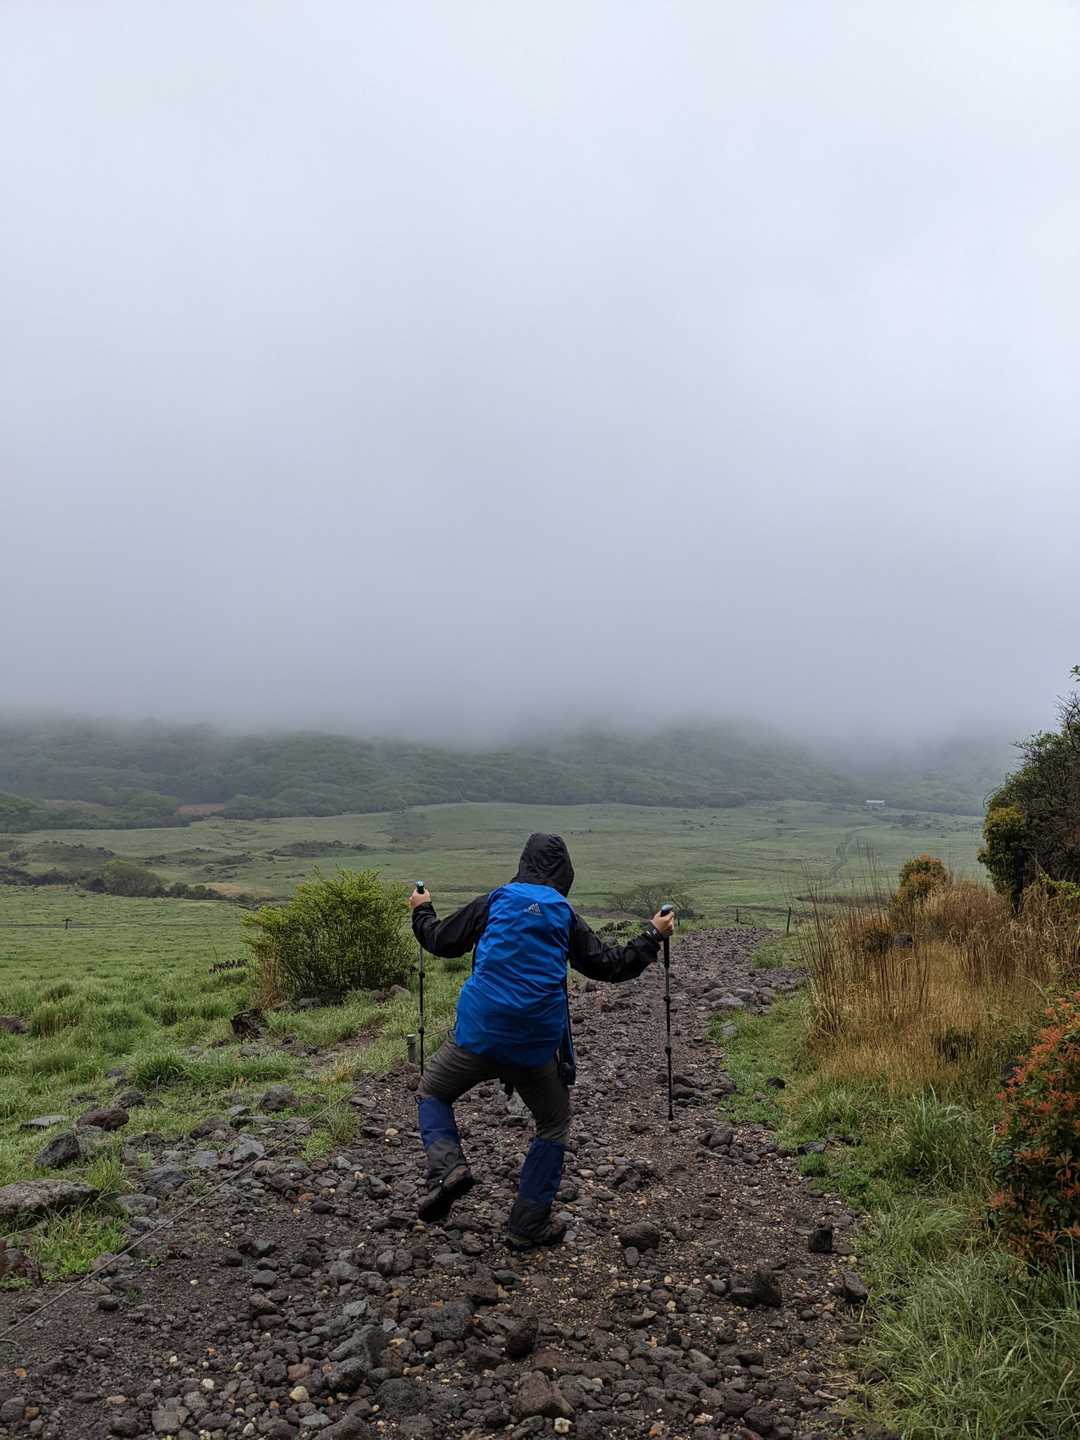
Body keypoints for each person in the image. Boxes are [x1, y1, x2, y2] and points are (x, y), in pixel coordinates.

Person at [408, 832, 676, 1251]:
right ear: (565, 872)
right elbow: (610, 966)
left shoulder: (495, 901)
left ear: (523, 864)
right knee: (552, 1123)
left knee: (432, 1092)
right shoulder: (564, 915)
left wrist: (422, 909)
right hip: (535, 1045)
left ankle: (448, 1169)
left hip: (477, 1034)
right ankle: (527, 1224)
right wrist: (653, 935)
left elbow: (441, 941)